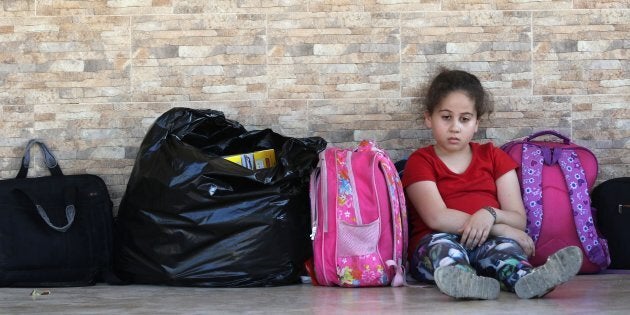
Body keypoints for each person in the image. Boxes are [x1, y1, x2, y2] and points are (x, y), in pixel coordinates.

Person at [402, 68, 582, 299]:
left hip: (489, 242)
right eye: (446, 117)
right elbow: (437, 217)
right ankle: (465, 282)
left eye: (465, 119)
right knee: (444, 252)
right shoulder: (421, 160)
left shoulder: (494, 156)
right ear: (429, 118)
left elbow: (518, 217)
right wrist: (499, 227)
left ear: (477, 122)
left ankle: (529, 279)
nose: (455, 127)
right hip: (437, 239)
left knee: (506, 253)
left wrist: (490, 214)